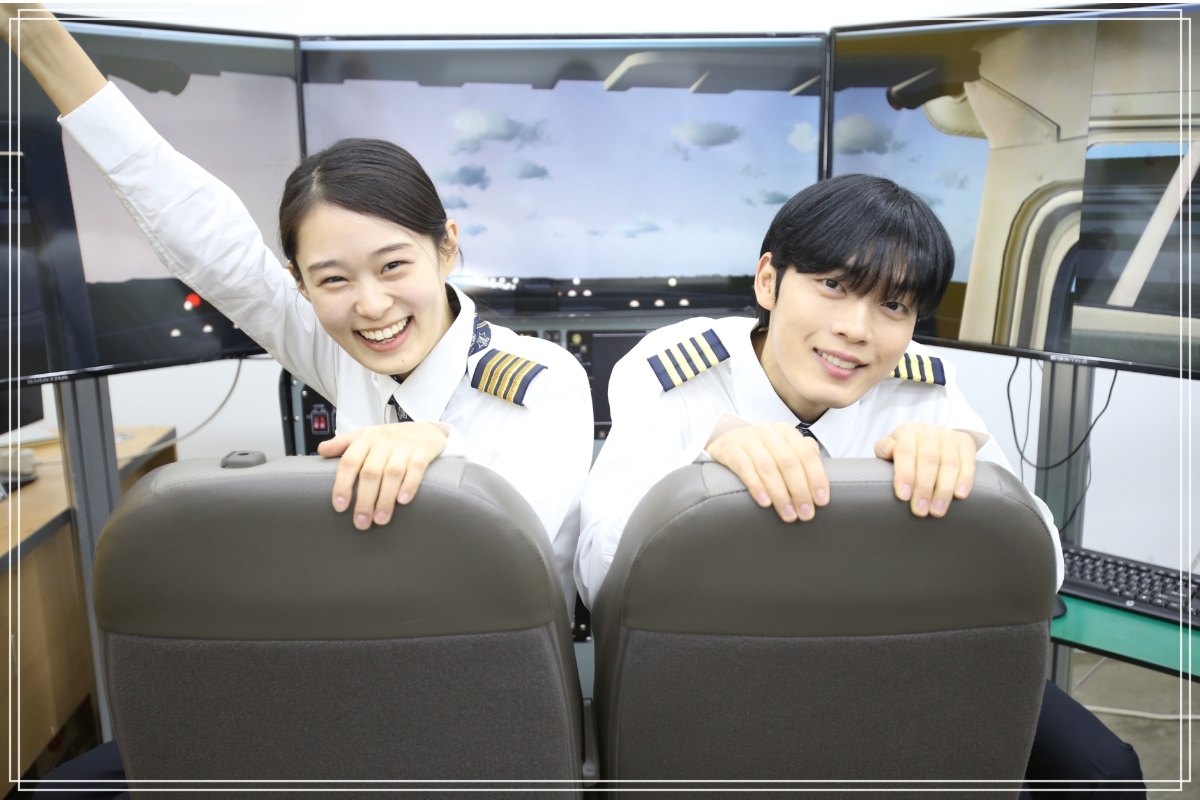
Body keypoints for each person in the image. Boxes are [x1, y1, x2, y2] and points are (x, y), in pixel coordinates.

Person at [5, 7, 590, 797]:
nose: (371, 306)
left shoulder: (543, 379)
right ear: (301, 284)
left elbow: (503, 567)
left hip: (483, 700)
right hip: (342, 676)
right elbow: (199, 231)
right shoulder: (337, 348)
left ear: (447, 246)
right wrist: (39, 39)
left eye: (393, 265)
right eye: (333, 279)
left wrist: (441, 448)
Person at [576, 174, 1144, 799]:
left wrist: (977, 487)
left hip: (893, 651)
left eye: (893, 306)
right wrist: (699, 478)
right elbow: (598, 578)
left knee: (1107, 773)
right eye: (833, 286)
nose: (857, 329)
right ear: (768, 281)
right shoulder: (681, 371)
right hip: (728, 658)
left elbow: (1042, 568)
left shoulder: (922, 390)